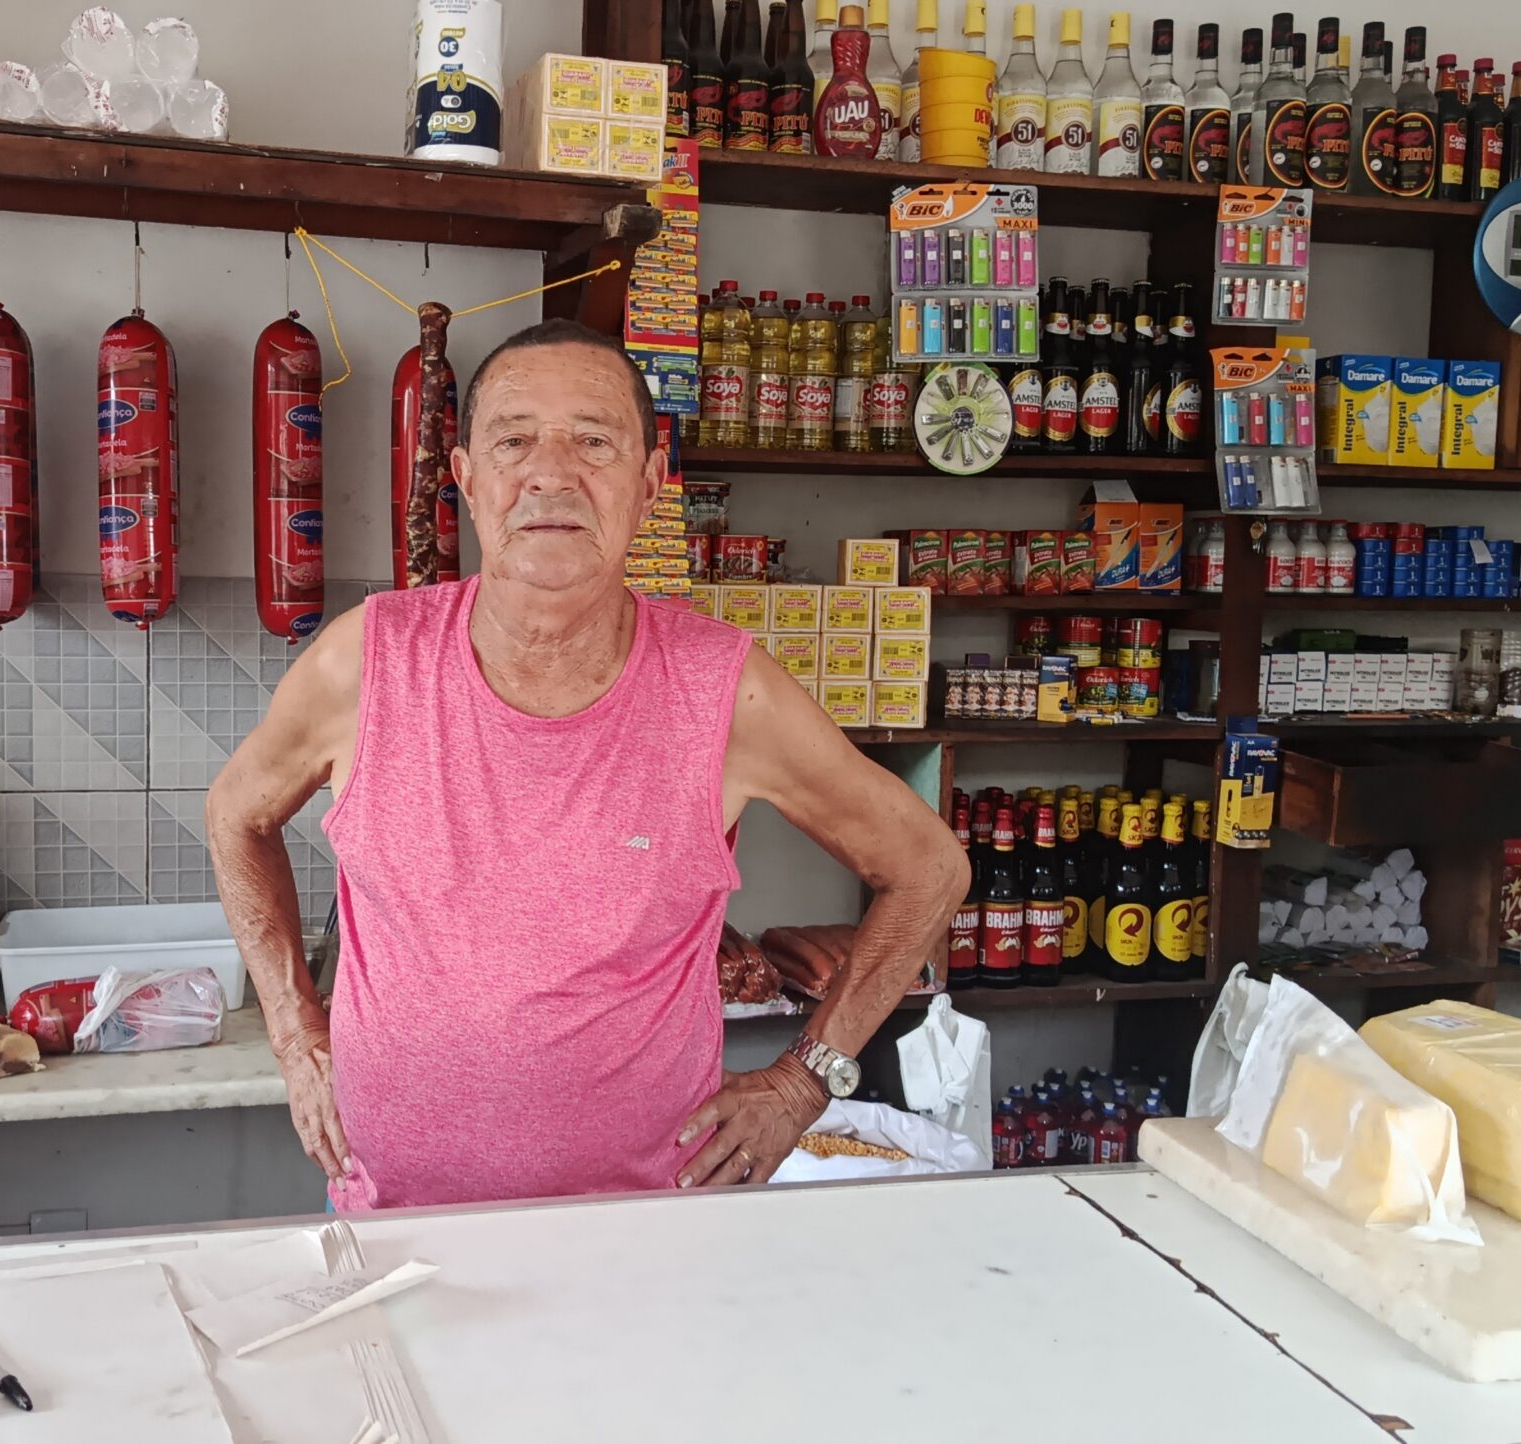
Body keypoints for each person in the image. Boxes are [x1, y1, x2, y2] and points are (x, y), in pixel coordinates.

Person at [207, 318, 964, 1211]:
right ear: (467, 481)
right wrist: (297, 1037)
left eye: (594, 442)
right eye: (514, 440)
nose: (551, 472)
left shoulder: (726, 692)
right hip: (399, 1239)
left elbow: (928, 868)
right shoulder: (364, 664)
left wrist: (807, 1082)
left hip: (645, 1246)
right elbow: (236, 815)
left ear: (649, 483)